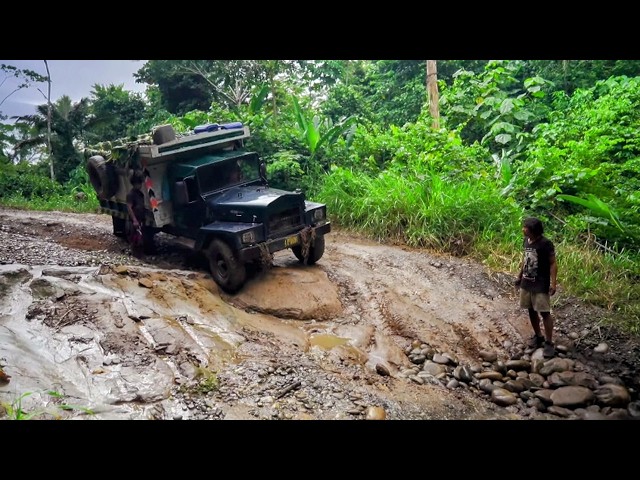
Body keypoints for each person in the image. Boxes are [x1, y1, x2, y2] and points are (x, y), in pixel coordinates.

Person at [514, 217, 558, 358]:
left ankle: (549, 342)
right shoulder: (526, 240)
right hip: (527, 281)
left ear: (533, 230)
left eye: (525, 227)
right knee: (530, 310)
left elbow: (553, 263)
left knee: (544, 312)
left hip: (540, 283)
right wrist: (519, 275)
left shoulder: (546, 244)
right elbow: (525, 259)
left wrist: (553, 283)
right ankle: (538, 336)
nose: (523, 229)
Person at [126, 172, 154, 255]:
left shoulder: (140, 194)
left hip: (141, 218)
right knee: (134, 238)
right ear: (135, 184)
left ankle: (141, 254)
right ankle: (135, 255)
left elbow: (142, 206)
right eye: (139, 183)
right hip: (134, 219)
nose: (141, 185)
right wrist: (134, 220)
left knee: (141, 237)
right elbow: (129, 208)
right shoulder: (131, 194)